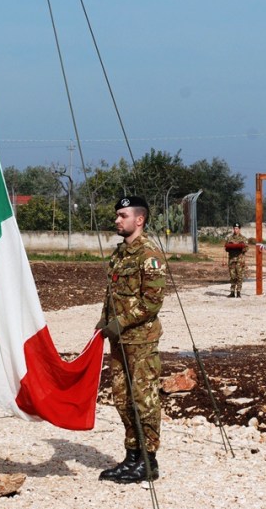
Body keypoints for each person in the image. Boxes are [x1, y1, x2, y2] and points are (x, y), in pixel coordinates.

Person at [96, 196, 167, 484]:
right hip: (119, 341)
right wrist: (103, 321)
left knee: (143, 400)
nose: (117, 220)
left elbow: (152, 302)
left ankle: (149, 462)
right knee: (123, 399)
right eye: (117, 215)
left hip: (140, 340)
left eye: (123, 215)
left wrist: (119, 323)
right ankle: (132, 456)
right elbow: (112, 294)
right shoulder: (120, 254)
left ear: (139, 219)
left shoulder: (149, 254)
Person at [224, 222, 249, 297]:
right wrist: (230, 248)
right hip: (231, 260)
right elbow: (226, 248)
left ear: (239, 229)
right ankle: (232, 292)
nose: (235, 230)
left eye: (237, 228)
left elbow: (246, 248)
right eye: (234, 228)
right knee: (232, 276)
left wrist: (240, 248)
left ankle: (238, 292)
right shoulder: (229, 238)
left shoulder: (243, 238)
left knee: (239, 276)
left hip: (240, 260)